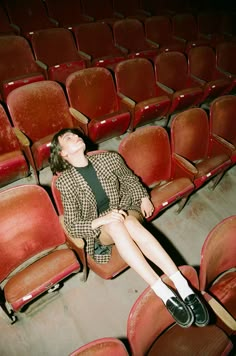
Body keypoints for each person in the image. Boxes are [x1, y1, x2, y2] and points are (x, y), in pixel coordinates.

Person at [50, 127, 209, 328]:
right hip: (101, 226)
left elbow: (129, 179)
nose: (77, 136)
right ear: (63, 153)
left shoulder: (109, 158)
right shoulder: (65, 182)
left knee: (129, 222)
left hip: (125, 208)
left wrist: (143, 196)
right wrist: (102, 220)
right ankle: (162, 290)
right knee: (116, 225)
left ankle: (182, 286)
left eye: (76, 134)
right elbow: (72, 225)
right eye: (69, 138)